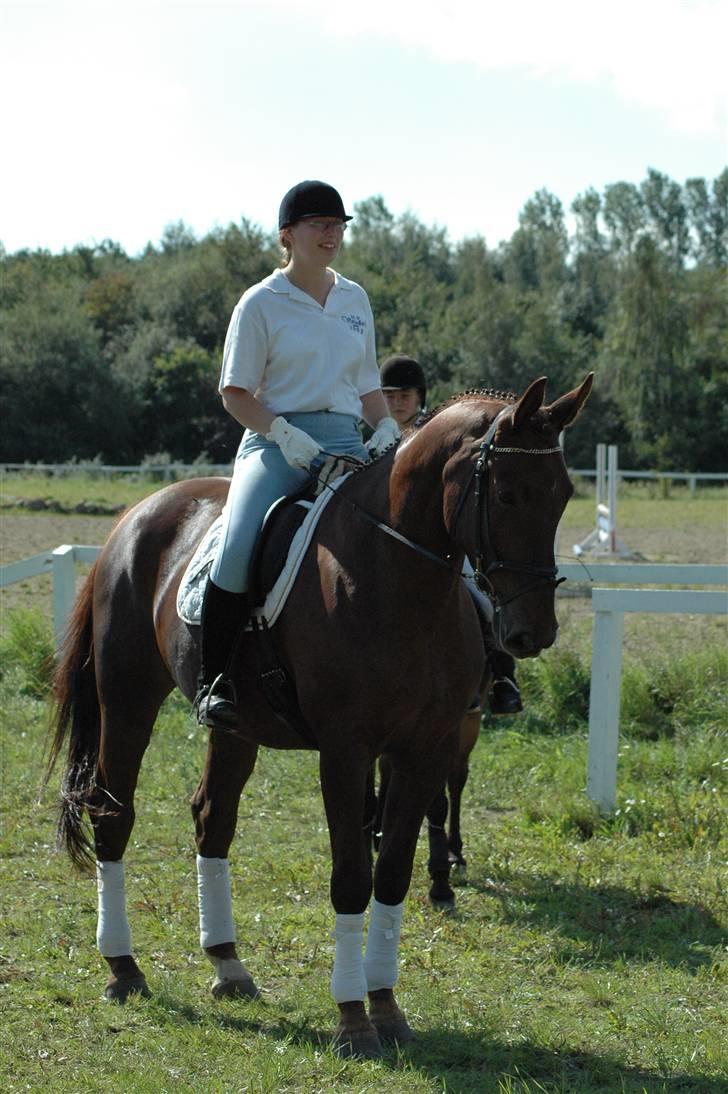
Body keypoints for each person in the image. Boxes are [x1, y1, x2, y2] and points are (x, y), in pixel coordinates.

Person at [195, 180, 400, 729]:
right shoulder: (261, 302)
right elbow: (235, 393)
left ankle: (481, 664)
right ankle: (214, 680)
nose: (331, 234)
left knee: (418, 522)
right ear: (288, 235)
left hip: (349, 442)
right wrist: (286, 435)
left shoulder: (355, 299)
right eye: (319, 225)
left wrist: (386, 427)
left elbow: (367, 385)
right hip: (275, 441)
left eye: (338, 226)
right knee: (238, 542)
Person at [378, 354, 523, 716]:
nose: (397, 404)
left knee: (481, 597)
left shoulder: (435, 435)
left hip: (433, 546)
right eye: (390, 396)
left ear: (420, 397)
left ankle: (503, 676)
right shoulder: (371, 435)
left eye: (404, 396)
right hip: (383, 541)